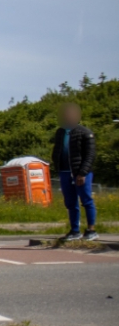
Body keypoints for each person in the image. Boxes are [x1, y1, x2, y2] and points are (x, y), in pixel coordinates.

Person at [52, 103, 97, 241]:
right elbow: (57, 150)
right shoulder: (60, 133)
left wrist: (83, 173)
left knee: (86, 200)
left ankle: (91, 230)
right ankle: (74, 230)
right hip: (65, 171)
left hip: (80, 172)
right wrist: (57, 166)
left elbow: (90, 155)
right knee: (70, 202)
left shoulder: (85, 132)